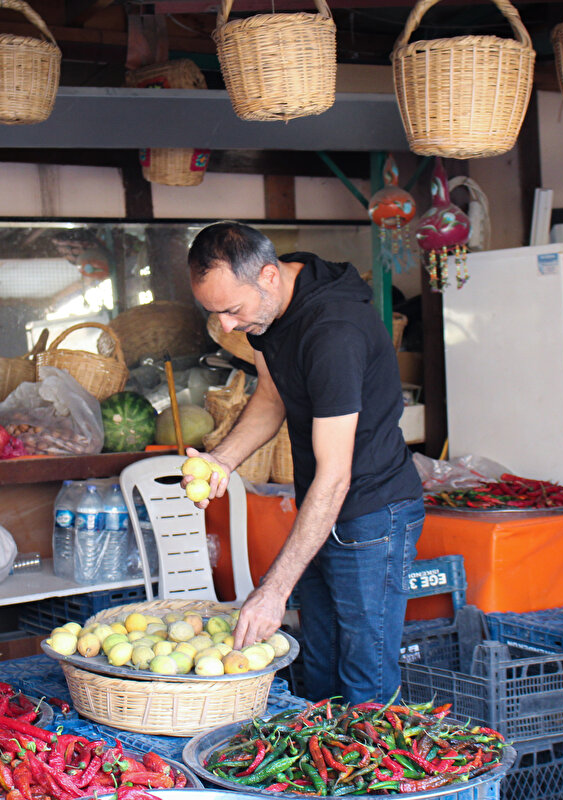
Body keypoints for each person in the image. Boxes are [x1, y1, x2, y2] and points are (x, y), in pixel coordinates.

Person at [183, 220, 423, 704]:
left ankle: (374, 775)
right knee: (317, 664)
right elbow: (272, 397)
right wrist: (222, 459)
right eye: (215, 313)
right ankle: (320, 776)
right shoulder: (269, 312)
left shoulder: (333, 334)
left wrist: (273, 590)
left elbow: (336, 477)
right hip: (320, 507)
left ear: (269, 276)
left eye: (231, 310)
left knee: (363, 676)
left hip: (372, 512)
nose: (225, 326)